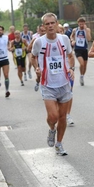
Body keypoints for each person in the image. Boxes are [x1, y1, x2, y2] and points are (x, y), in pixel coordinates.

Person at [31, 12, 75, 156]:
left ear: (57, 24)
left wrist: (71, 69)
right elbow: (33, 57)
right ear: (43, 26)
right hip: (47, 84)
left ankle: (59, 144)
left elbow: (70, 55)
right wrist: (36, 68)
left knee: (62, 117)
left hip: (64, 83)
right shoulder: (39, 42)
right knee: (53, 117)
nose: (50, 26)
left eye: (52, 23)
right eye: (47, 24)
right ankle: (51, 129)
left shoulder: (64, 39)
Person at [70, 17, 91, 86]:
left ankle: (82, 76)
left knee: (85, 65)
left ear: (84, 23)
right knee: (81, 63)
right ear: (78, 24)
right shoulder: (75, 30)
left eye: (82, 24)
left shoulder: (87, 30)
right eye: (80, 24)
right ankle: (81, 75)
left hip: (84, 49)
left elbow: (89, 39)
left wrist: (86, 31)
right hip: (78, 49)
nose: (81, 25)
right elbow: (71, 36)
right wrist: (73, 40)